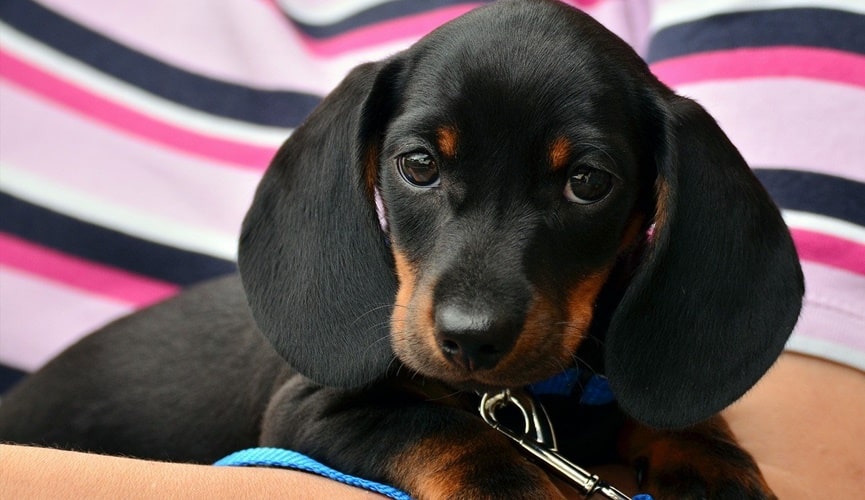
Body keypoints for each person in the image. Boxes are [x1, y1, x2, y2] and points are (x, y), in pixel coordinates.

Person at [1, 1, 862, 498]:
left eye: (583, 183)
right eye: (422, 168)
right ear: (369, 167)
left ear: (656, 205)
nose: (470, 312)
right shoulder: (355, 344)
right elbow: (321, 413)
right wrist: (477, 470)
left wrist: (682, 431)